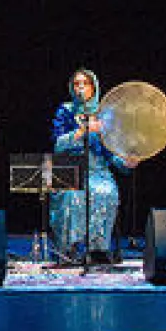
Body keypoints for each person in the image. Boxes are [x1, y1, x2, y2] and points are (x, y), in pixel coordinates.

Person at [50, 69, 137, 259]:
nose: (80, 87)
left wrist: (126, 163)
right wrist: (83, 130)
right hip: (70, 169)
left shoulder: (104, 114)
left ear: (94, 87)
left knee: (105, 192)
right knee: (72, 195)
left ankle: (97, 250)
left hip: (98, 170)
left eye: (85, 83)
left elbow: (111, 151)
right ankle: (69, 249)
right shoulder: (65, 111)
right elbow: (57, 145)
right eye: (76, 84)